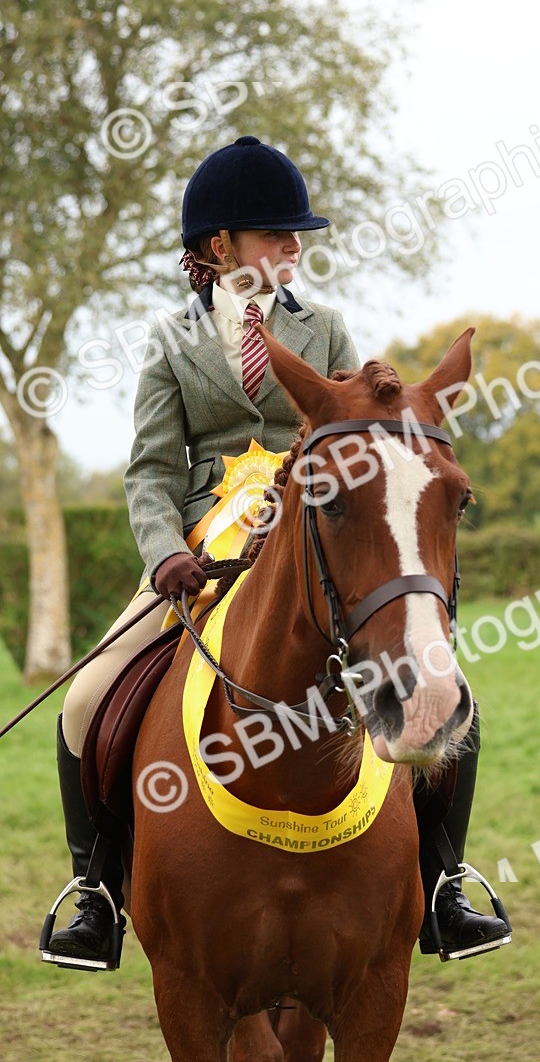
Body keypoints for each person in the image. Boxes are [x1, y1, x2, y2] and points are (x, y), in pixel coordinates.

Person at [46, 135, 509, 968]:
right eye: (276, 234)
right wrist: (163, 557)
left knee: (444, 692)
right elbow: (151, 471)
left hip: (306, 541)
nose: (295, 248)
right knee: (83, 701)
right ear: (219, 246)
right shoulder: (169, 343)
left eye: (298, 236)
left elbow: (353, 447)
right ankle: (97, 892)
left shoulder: (323, 327)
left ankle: (444, 884)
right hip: (199, 553)